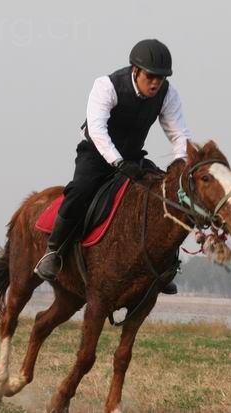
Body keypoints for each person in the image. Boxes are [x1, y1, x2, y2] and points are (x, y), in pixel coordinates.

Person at [34, 39, 192, 295]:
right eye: (151, 76)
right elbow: (97, 130)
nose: (156, 83)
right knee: (80, 192)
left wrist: (180, 164)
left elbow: (179, 135)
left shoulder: (168, 94)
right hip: (96, 155)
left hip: (133, 158)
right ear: (135, 70)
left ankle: (162, 267)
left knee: (162, 197)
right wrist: (118, 162)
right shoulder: (106, 86)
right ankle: (54, 251)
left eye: (161, 78)